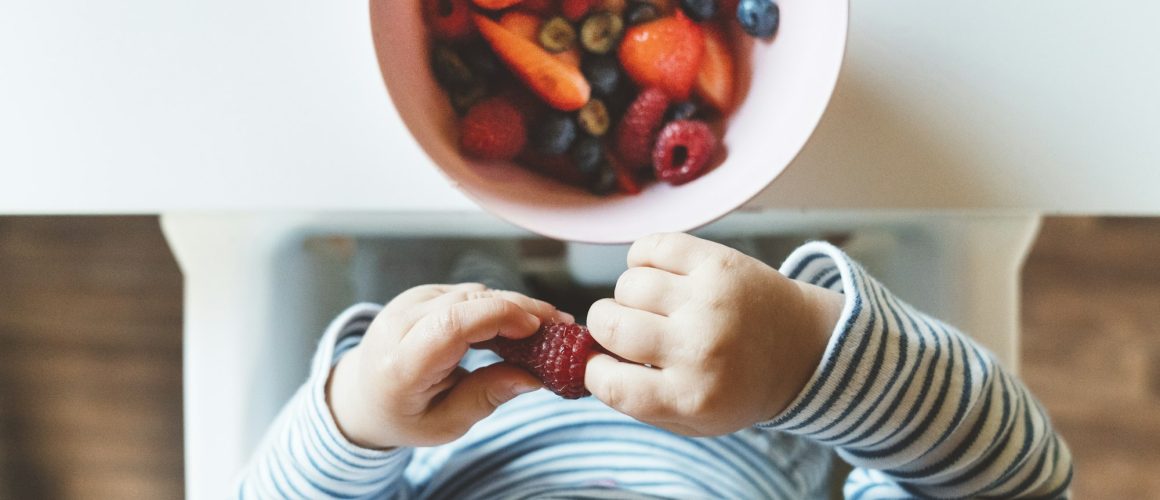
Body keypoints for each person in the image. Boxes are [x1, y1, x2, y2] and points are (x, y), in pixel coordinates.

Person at [236, 233, 1072, 498]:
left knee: (424, 271)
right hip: (748, 395)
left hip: (450, 408)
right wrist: (804, 356)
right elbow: (1016, 486)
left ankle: (460, 248)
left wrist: (359, 414)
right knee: (723, 260)